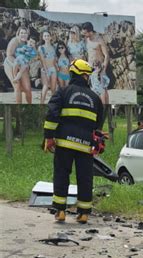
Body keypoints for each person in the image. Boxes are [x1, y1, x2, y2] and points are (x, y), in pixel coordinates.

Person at [43, 59, 104, 224]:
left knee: (62, 175)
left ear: (72, 74)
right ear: (85, 75)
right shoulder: (95, 98)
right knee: (85, 177)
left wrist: (49, 137)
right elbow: (98, 124)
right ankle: (83, 213)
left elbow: (52, 115)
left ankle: (60, 211)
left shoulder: (63, 92)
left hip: (64, 143)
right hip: (85, 146)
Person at [82, 22, 110, 104]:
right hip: (90, 69)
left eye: (85, 33)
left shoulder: (99, 40)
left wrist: (103, 70)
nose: (84, 34)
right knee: (98, 90)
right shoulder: (86, 39)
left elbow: (106, 56)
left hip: (99, 69)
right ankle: (103, 111)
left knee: (102, 90)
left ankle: (103, 111)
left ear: (90, 32)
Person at [3, 26, 33, 104]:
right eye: (21, 33)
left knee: (28, 88)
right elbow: (9, 55)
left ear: (28, 34)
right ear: (18, 34)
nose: (23, 34)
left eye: (25, 33)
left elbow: (32, 56)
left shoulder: (29, 42)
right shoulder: (14, 41)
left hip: (23, 65)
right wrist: (19, 65)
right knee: (17, 87)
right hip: (10, 64)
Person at [39, 30, 58, 104]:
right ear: (43, 37)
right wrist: (46, 71)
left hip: (53, 69)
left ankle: (53, 103)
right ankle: (42, 103)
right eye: (45, 36)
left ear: (50, 37)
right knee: (45, 87)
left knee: (53, 88)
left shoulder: (54, 47)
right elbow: (42, 60)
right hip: (45, 69)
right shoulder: (41, 48)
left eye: (48, 36)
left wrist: (57, 68)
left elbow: (54, 60)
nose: (46, 37)